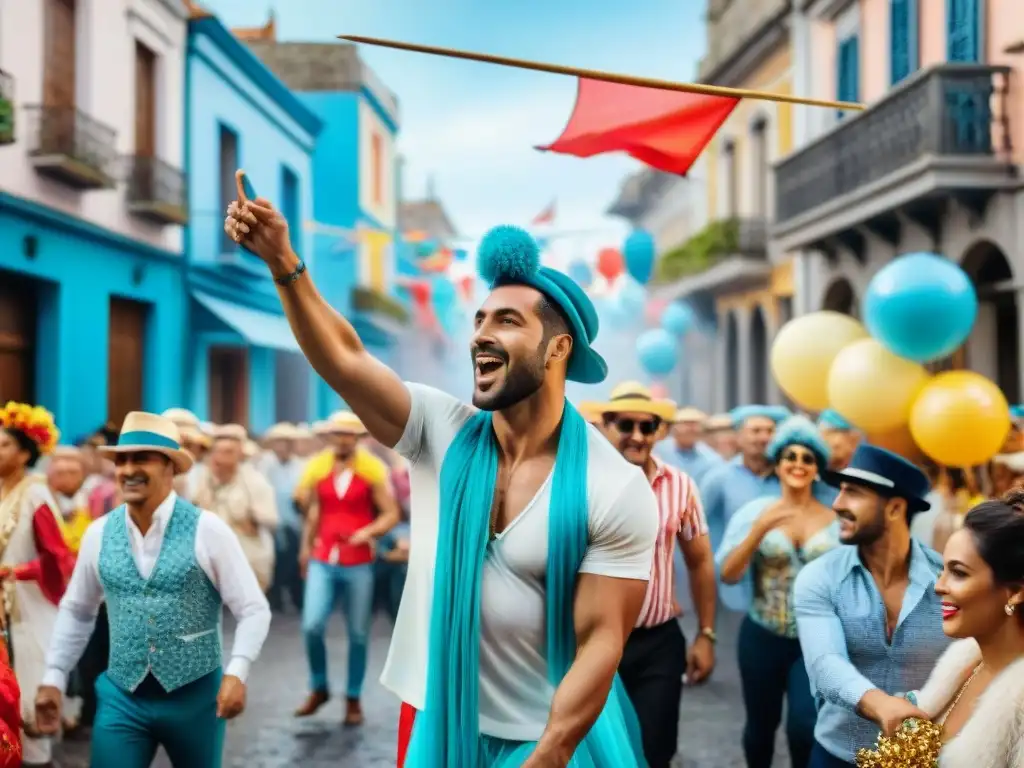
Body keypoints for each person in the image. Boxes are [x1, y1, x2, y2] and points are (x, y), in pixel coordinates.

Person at [224, 180, 658, 767]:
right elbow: (346, 360)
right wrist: (284, 262)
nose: (481, 334)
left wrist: (550, 754)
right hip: (436, 716)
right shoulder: (440, 430)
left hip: (544, 734)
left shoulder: (612, 487)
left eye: (507, 321)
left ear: (557, 351)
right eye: (479, 319)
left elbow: (602, 639)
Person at [34, 411, 272, 768]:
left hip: (195, 696)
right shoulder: (99, 533)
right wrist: (53, 675)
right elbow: (78, 609)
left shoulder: (208, 530)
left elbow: (253, 608)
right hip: (122, 697)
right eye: (122, 460)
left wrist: (237, 672)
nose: (128, 469)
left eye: (141, 459)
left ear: (170, 468)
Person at [794, 444, 951, 767]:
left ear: (894, 508)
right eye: (839, 491)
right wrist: (879, 703)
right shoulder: (819, 576)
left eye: (853, 493)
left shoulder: (947, 581)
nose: (836, 505)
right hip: (836, 755)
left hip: (925, 759)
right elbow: (824, 664)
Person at [599, 382, 716, 768]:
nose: (637, 436)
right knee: (598, 750)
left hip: (658, 643)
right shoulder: (581, 481)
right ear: (606, 426)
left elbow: (700, 561)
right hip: (593, 642)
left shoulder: (679, 485)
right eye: (626, 425)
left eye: (647, 427)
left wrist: (706, 634)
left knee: (656, 750)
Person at [717, 416, 839, 768]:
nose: (798, 464)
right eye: (790, 457)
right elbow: (727, 574)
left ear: (816, 468)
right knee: (761, 726)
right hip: (762, 635)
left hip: (815, 641)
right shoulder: (755, 512)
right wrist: (758, 531)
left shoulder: (835, 519)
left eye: (807, 458)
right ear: (778, 464)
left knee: (805, 724)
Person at [294, 410, 400, 726]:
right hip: (323, 557)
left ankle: (353, 696)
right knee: (311, 625)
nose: (341, 439)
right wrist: (304, 549)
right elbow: (313, 513)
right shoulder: (318, 469)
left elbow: (391, 513)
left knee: (358, 633)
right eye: (336, 433)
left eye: (347, 434)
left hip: (359, 561)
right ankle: (319, 686)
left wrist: (368, 533)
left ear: (357, 438)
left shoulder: (372, 471)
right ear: (329, 438)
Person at [907, 492, 1024, 765]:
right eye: (943, 570)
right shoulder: (965, 664)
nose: (939, 586)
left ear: (1016, 591)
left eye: (958, 573)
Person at [0, 402, 75, 767]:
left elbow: (58, 556)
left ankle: (36, 760)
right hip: (2, 608)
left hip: (26, 609)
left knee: (28, 689)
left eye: (4, 445)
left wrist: (18, 571)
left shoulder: (35, 493)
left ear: (25, 453)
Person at [194, 424, 279, 592]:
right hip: (209, 564)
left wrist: (252, 518)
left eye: (228, 452)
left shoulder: (254, 482)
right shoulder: (203, 480)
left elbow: (271, 520)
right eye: (217, 451)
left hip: (247, 562)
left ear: (239, 454)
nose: (220, 458)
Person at [700, 406, 790, 553]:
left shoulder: (788, 478)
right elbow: (699, 531)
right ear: (738, 437)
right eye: (756, 431)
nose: (764, 438)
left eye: (770, 431)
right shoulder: (718, 479)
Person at [260, 422, 306, 613]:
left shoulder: (301, 465)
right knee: (274, 561)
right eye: (279, 442)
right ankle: (274, 599)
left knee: (294, 560)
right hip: (271, 523)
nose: (282, 446)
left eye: (286, 442)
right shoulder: (264, 464)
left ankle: (297, 599)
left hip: (295, 522)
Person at [654, 407, 723, 486]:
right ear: (674, 427)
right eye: (686, 424)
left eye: (695, 425)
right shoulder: (658, 450)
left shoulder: (710, 457)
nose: (691, 429)